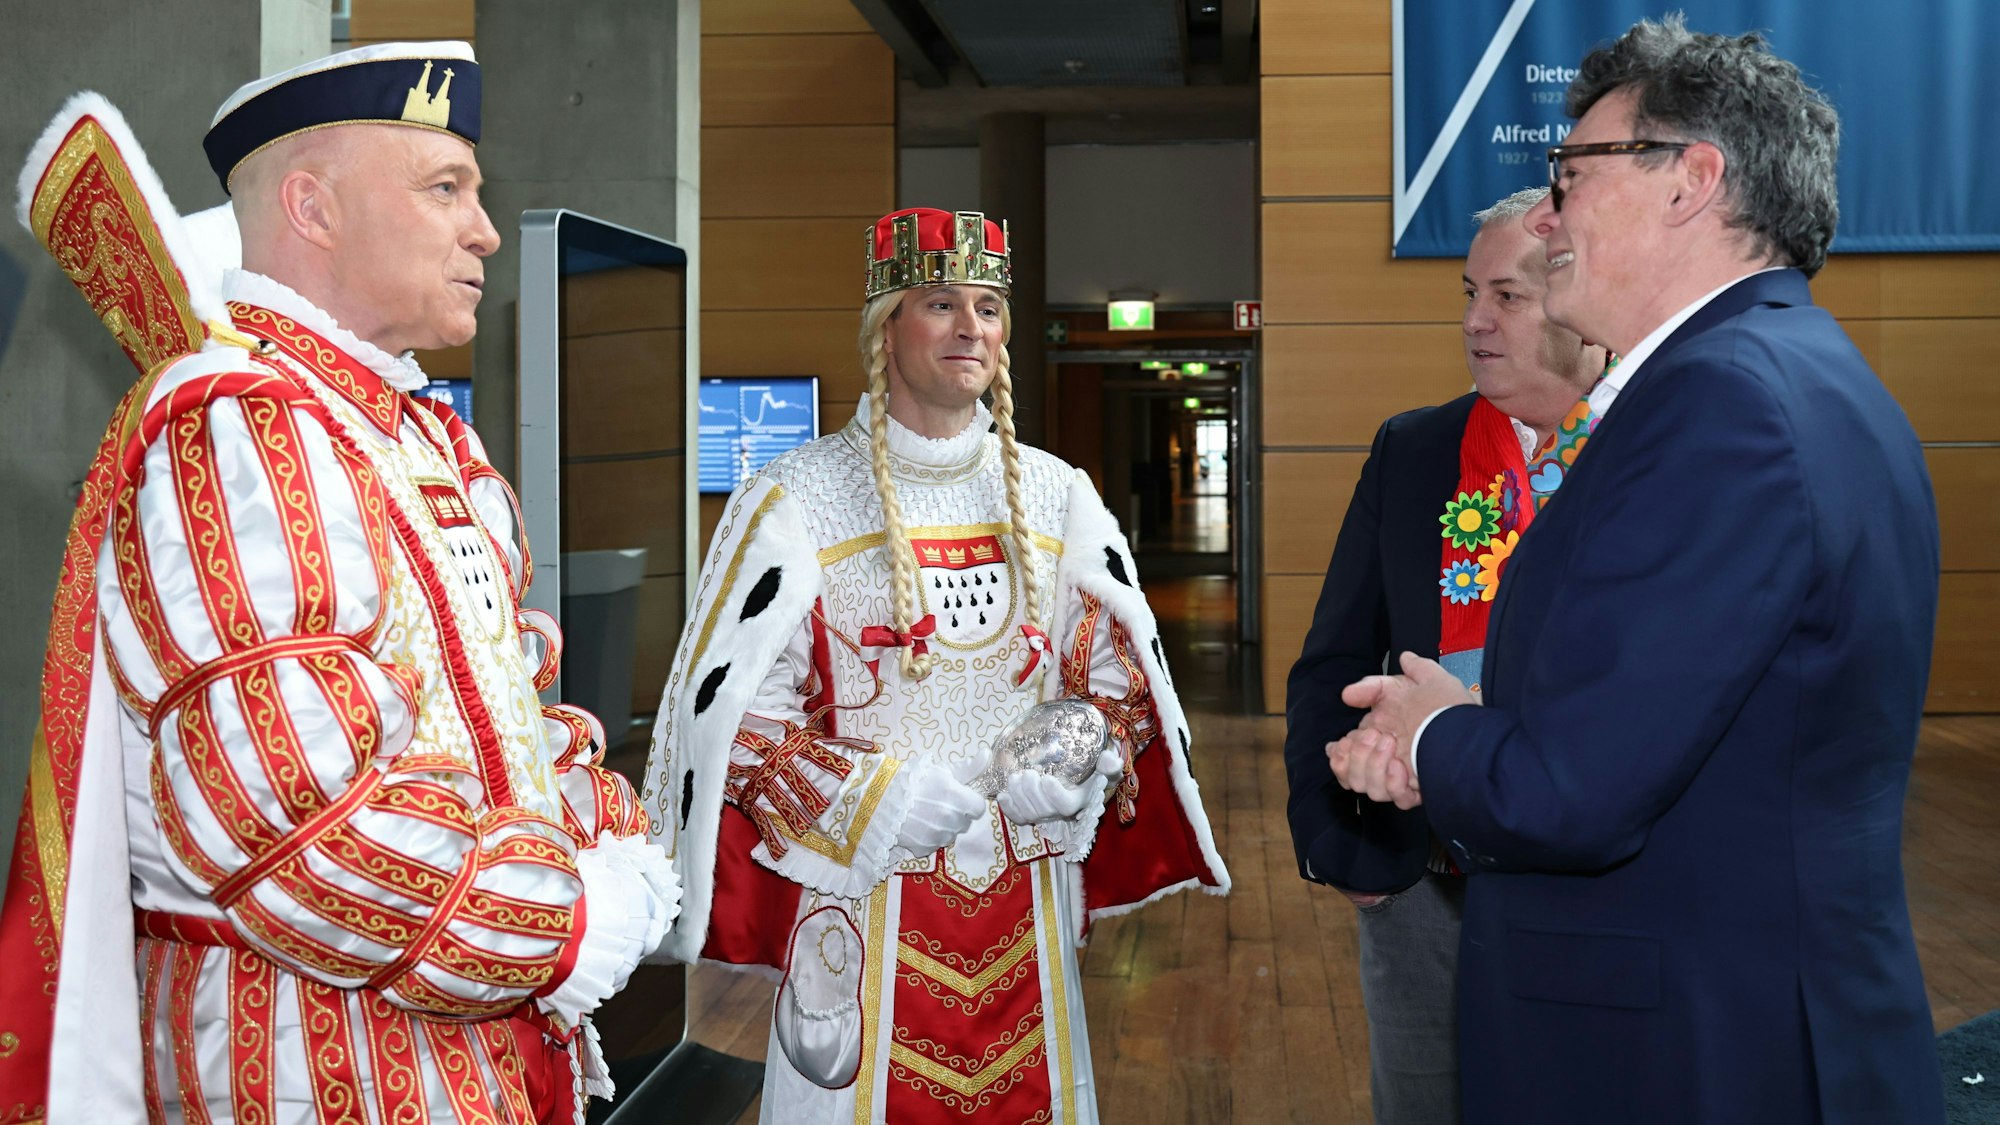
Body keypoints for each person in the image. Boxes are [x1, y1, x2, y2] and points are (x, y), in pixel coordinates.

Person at [0, 42, 678, 1124]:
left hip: (476, 1044)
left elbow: (508, 707)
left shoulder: (415, 436)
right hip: (307, 1069)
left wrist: (609, 836)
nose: (484, 230)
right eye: (444, 188)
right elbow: (292, 828)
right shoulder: (236, 427)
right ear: (312, 209)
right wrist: (565, 920)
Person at [1328, 16, 1946, 1124]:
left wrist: (1433, 727)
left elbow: (1573, 794)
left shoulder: (1724, 408)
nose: (1550, 213)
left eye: (1568, 174)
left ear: (1689, 181)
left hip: (1689, 1050)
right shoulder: (1796, 372)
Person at [642, 207, 1229, 1123]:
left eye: (990, 307)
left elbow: (1116, 683)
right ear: (885, 327)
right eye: (941, 303)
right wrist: (874, 800)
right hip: (862, 902)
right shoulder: (796, 496)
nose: (971, 328)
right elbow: (736, 714)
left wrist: (1070, 762)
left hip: (1027, 897)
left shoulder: (1055, 491)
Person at [1283, 185, 1606, 1125]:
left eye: (1505, 296)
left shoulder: (1646, 448)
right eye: (1469, 293)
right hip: (1424, 890)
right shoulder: (1414, 450)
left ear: (1579, 296)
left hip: (1592, 894)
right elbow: (1329, 660)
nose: (1473, 321)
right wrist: (1334, 846)